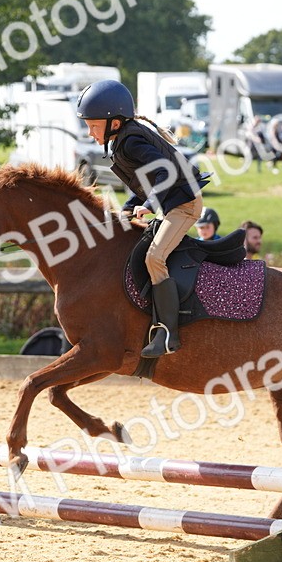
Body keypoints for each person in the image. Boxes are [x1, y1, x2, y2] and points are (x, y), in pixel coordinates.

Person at [77, 79, 208, 358]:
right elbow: (144, 182)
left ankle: (167, 333)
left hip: (185, 205)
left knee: (154, 257)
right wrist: (129, 206)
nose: (89, 133)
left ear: (114, 122)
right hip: (172, 202)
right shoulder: (124, 139)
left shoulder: (132, 141)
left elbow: (165, 172)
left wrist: (148, 204)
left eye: (93, 125)